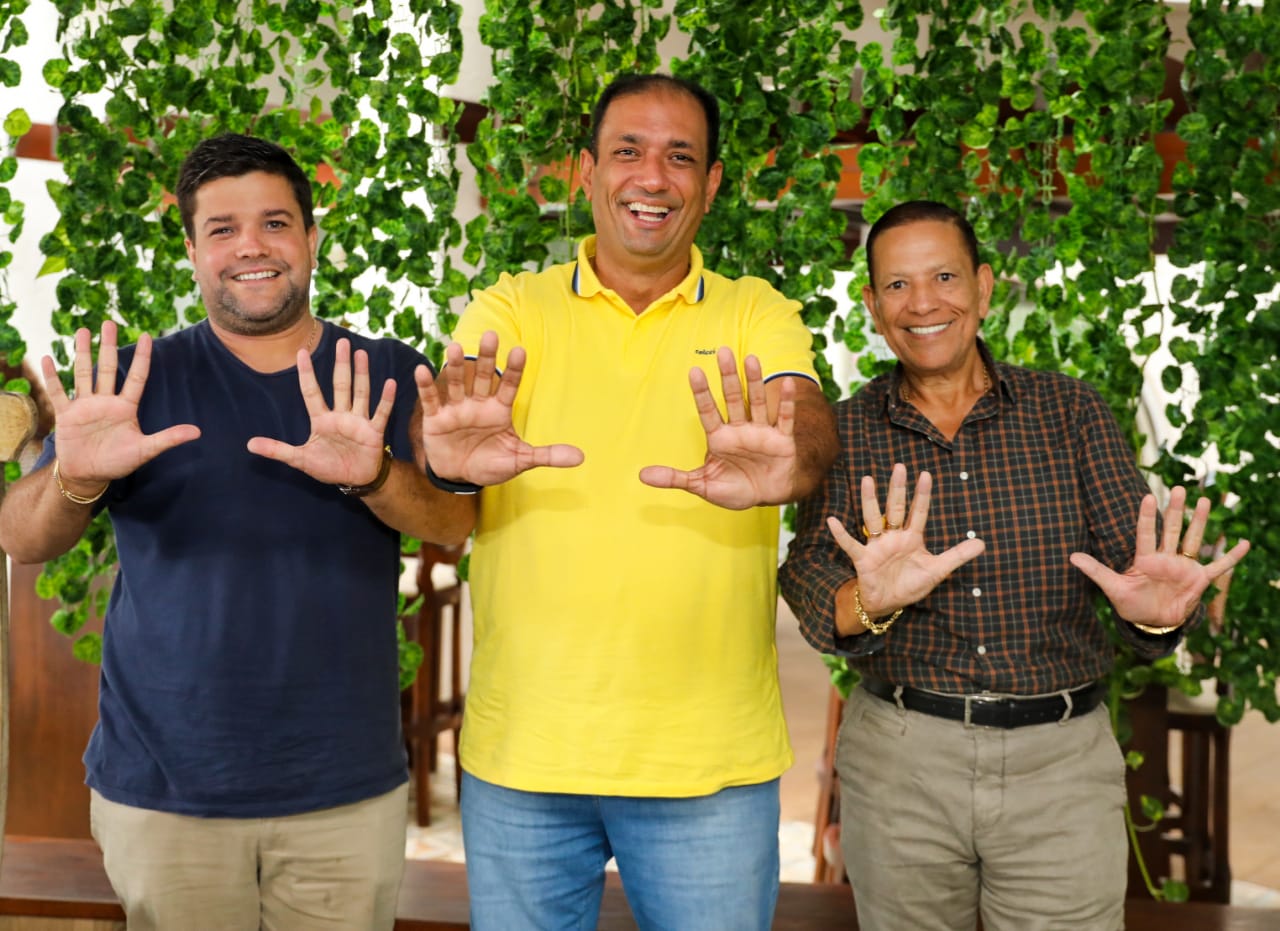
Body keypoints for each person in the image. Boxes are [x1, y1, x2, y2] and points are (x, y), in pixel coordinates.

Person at [0, 133, 475, 930]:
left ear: (311, 237)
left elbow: (454, 523)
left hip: (343, 790)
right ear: (192, 251)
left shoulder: (384, 373)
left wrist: (374, 477)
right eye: (222, 229)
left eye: (275, 223)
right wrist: (75, 476)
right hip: (165, 790)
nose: (251, 246)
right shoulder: (135, 381)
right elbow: (22, 537)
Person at [412, 73, 839, 930]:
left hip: (708, 763)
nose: (652, 176)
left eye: (680, 157)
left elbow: (807, 420)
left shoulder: (755, 312)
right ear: (586, 171)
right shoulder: (511, 306)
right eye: (628, 151)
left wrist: (793, 463)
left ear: (711, 184)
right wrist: (448, 463)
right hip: (525, 757)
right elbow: (450, 443)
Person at [778, 199, 1250, 931]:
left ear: (985, 286)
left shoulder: (1070, 412)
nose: (923, 302)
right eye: (898, 285)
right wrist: (868, 600)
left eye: (944, 276)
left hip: (1060, 765)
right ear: (871, 305)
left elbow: (1139, 577)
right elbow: (807, 569)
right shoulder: (847, 428)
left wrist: (1158, 617)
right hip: (901, 762)